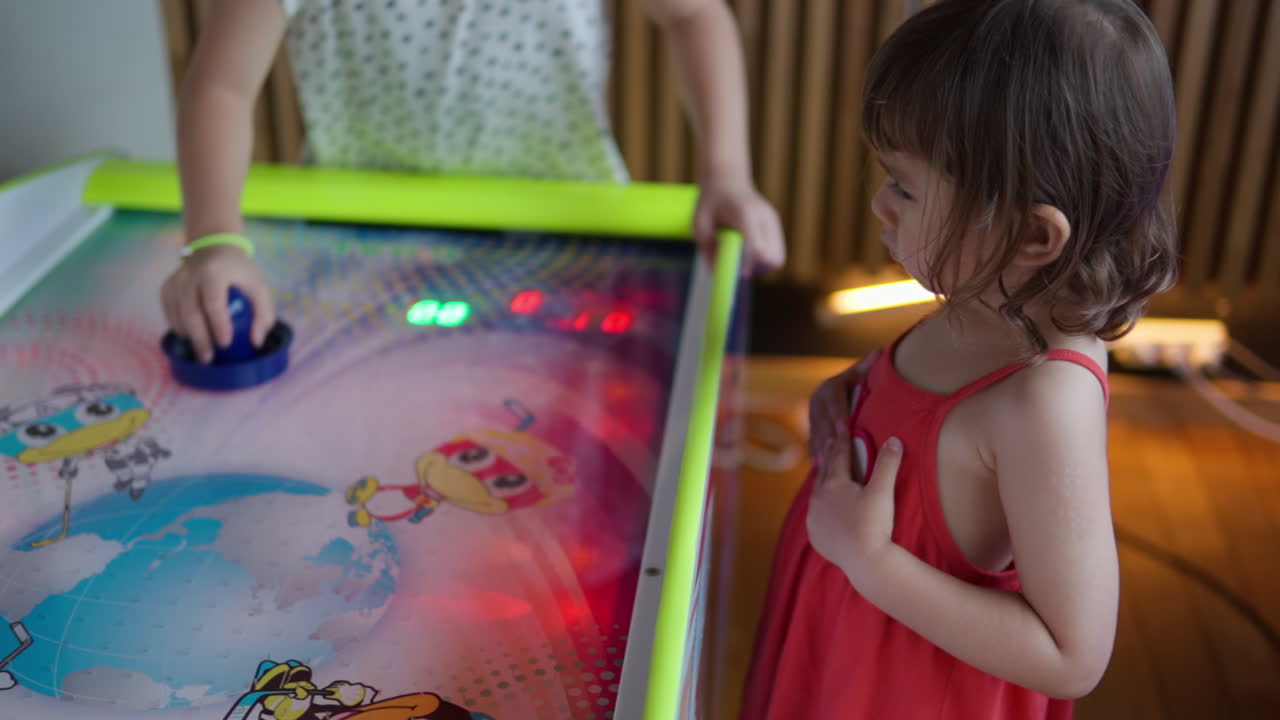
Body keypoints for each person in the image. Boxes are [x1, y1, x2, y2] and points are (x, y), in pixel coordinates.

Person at [741, 0, 1178, 717]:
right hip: (840, 641)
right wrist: (855, 391)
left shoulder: (1045, 402)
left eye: (905, 188)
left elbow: (1070, 655)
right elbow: (920, 413)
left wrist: (871, 562)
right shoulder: (989, 296)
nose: (881, 205)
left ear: (1032, 236)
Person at [161, 0, 784, 363]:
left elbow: (694, 13)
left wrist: (726, 172)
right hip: (360, 240)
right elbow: (220, 85)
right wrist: (214, 240)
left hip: (567, 234)